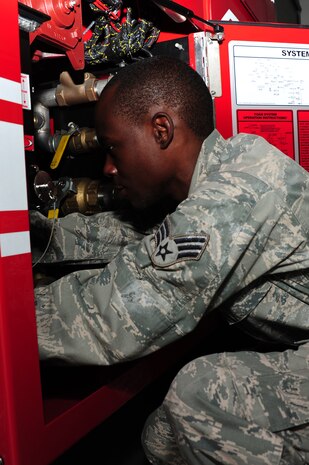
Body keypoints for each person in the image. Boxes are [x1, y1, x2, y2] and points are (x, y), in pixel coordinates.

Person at [31, 56, 309, 464]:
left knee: (203, 398)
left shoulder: (238, 194)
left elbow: (109, 317)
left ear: (161, 130)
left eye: (113, 147)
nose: (107, 168)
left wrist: (11, 317)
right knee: (164, 440)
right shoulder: (218, 174)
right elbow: (140, 238)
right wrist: (38, 238)